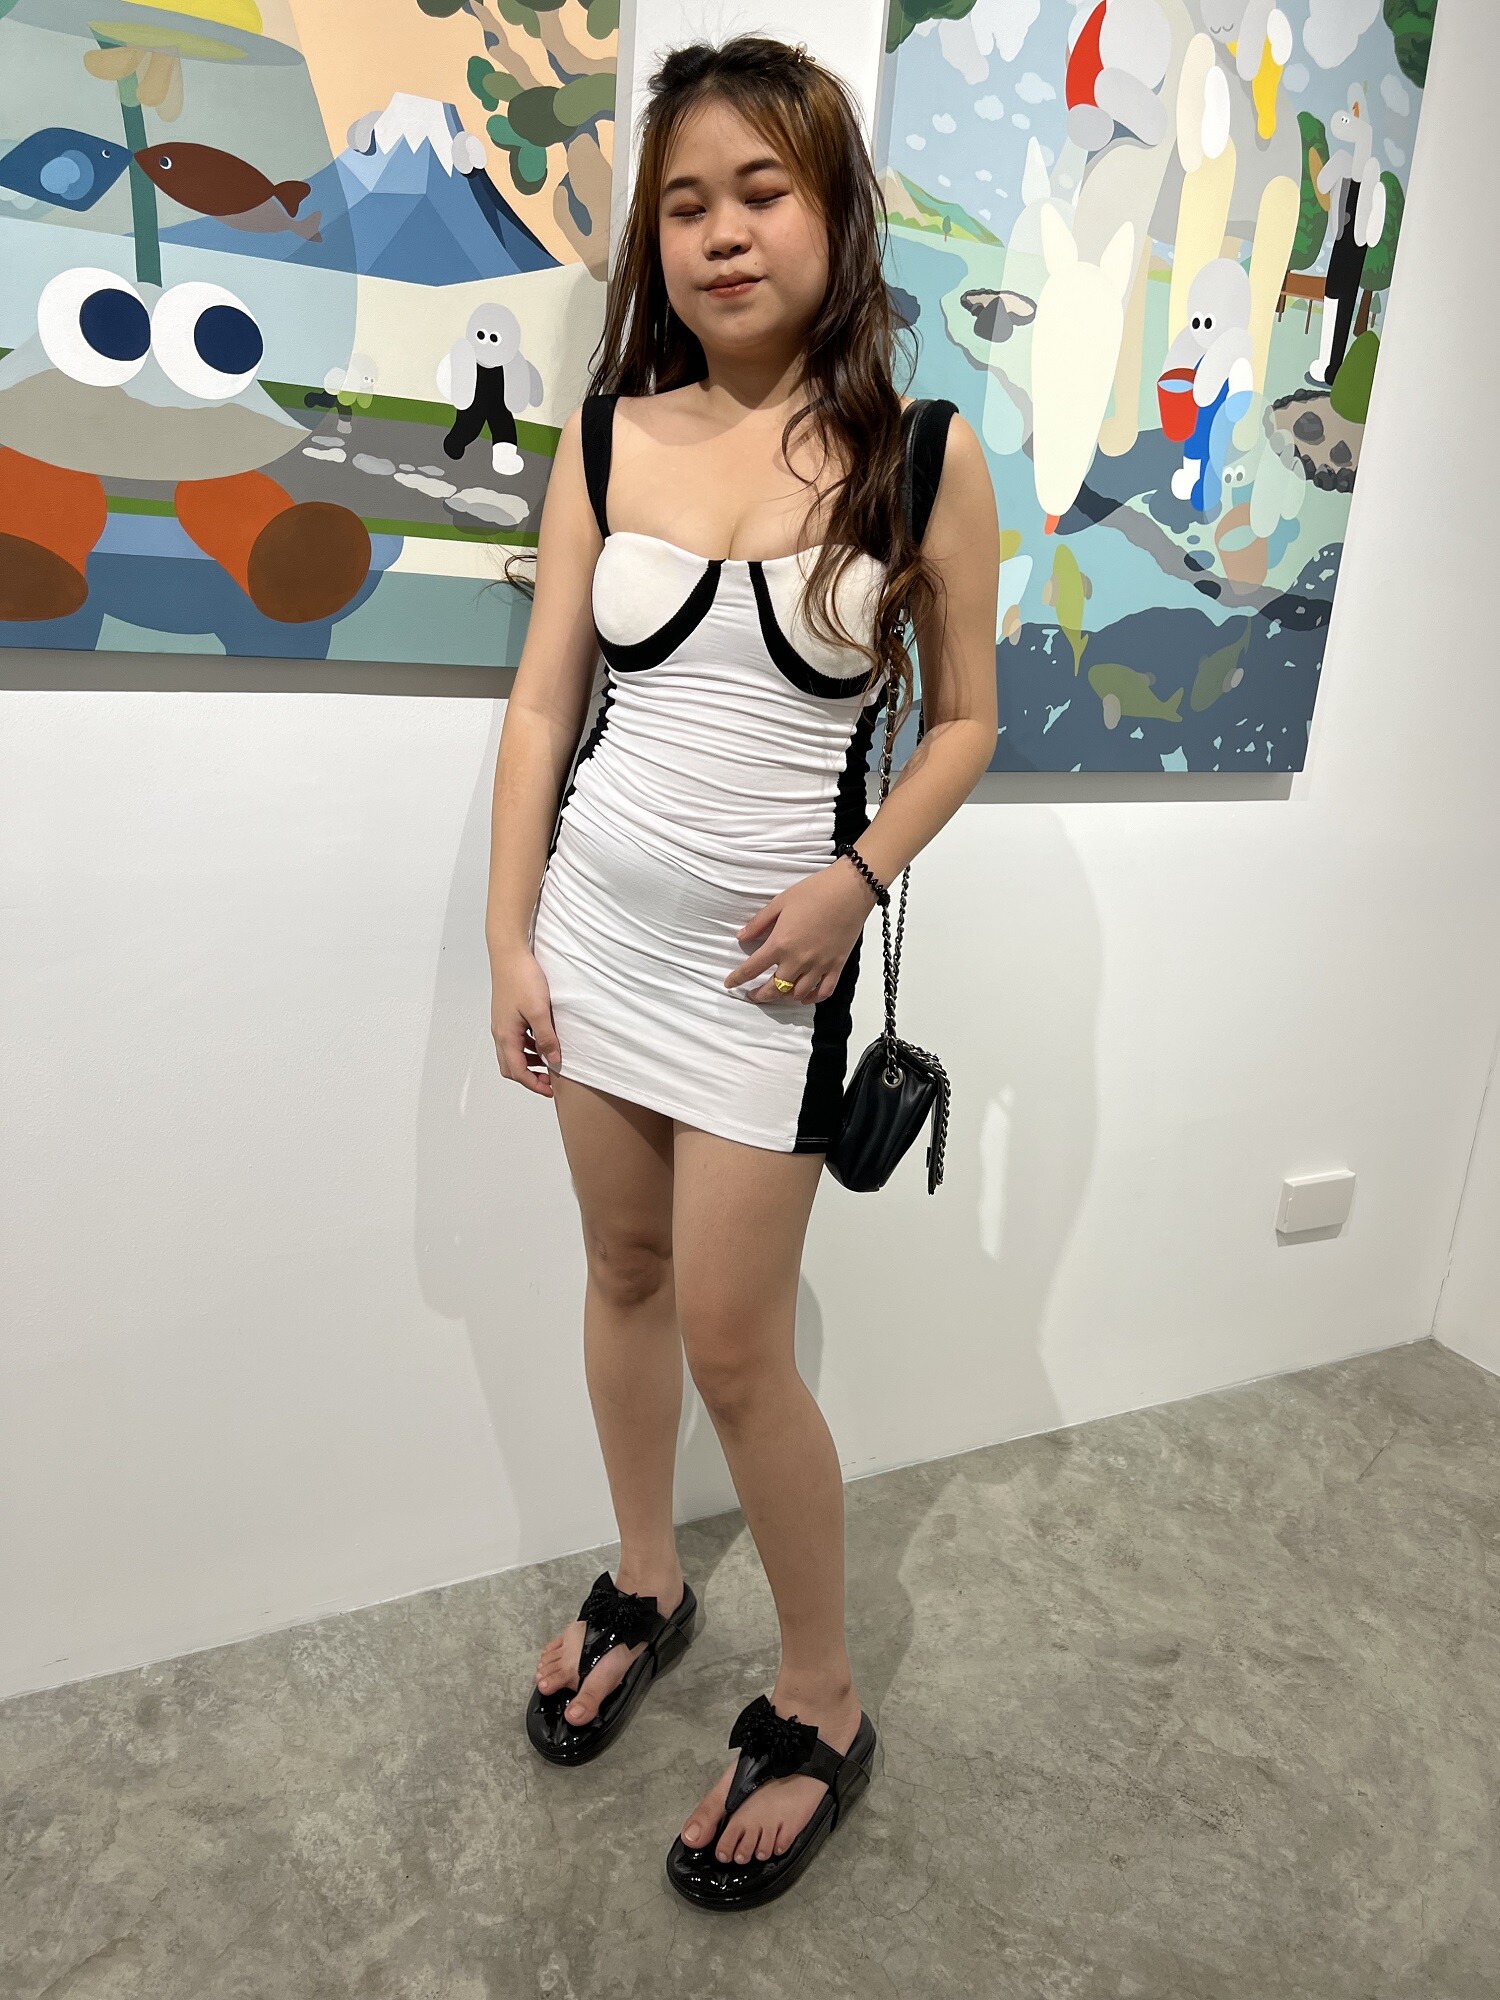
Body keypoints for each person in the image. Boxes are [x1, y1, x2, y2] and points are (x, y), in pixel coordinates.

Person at [484, 33, 999, 1910]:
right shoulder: (608, 436)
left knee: (734, 1344)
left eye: (761, 191)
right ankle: (648, 1578)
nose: (721, 233)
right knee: (621, 1272)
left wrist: (856, 883)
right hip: (597, 941)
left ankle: (823, 1696)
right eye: (685, 202)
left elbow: (968, 721)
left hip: (767, 987)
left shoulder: (922, 457)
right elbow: (544, 706)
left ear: (835, 210)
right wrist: (509, 934)